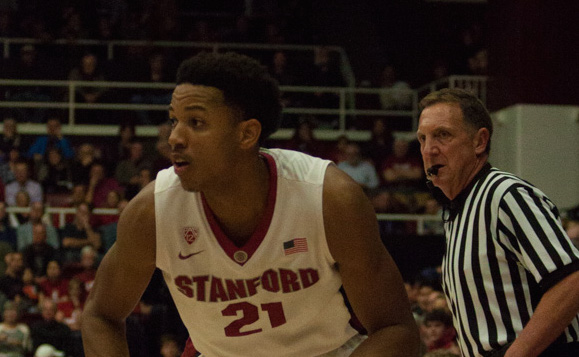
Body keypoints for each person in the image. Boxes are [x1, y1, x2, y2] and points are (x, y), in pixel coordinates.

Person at [82, 51, 419, 356]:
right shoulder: (151, 212)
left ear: (246, 134)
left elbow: (397, 331)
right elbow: (100, 315)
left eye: (195, 122)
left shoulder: (328, 198)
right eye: (174, 120)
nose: (174, 138)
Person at [416, 88, 579, 356]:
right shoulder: (456, 212)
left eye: (442, 135)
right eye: (422, 138)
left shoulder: (505, 195)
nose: (428, 150)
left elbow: (570, 280)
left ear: (480, 141)